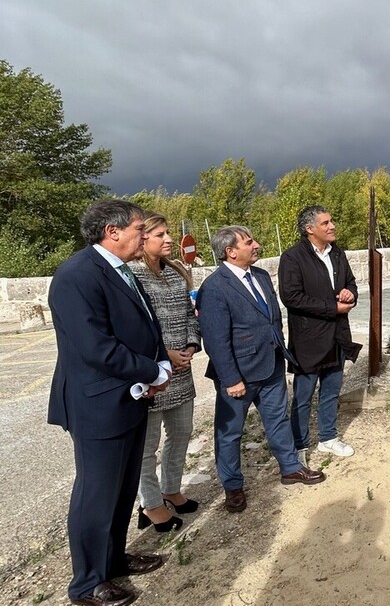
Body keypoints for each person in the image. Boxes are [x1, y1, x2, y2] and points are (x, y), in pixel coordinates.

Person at [48, 199, 172, 606]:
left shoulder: (118, 270)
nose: (144, 234)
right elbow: (95, 347)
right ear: (112, 231)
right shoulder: (77, 275)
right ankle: (87, 582)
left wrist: (154, 368)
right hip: (99, 403)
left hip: (128, 396)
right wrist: (152, 372)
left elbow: (141, 328)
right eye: (139, 228)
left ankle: (113, 560)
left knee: (120, 490)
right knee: (97, 493)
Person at [197, 225, 325, 514]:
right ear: (231, 251)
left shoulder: (262, 276)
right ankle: (232, 487)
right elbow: (215, 340)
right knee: (230, 433)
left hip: (271, 365)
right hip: (238, 375)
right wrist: (231, 379)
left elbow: (271, 320)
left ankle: (291, 468)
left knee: (278, 419)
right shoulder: (214, 287)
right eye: (248, 241)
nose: (256, 244)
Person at [128, 212, 201, 532]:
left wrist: (190, 344)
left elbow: (190, 313)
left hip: (181, 372)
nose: (169, 239)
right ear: (143, 239)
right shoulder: (131, 276)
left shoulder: (176, 273)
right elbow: (130, 327)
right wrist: (164, 355)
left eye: (169, 233)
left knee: (182, 433)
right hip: (151, 374)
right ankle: (152, 504)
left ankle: (172, 488)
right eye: (160, 234)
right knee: (147, 447)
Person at [278, 206, 363, 465]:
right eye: (325, 222)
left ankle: (328, 438)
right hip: (309, 340)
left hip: (336, 335)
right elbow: (291, 297)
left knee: (331, 391)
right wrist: (332, 308)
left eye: (331, 220)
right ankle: (300, 446)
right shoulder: (293, 258)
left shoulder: (337, 253)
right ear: (309, 229)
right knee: (303, 397)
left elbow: (351, 283)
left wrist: (349, 293)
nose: (332, 226)